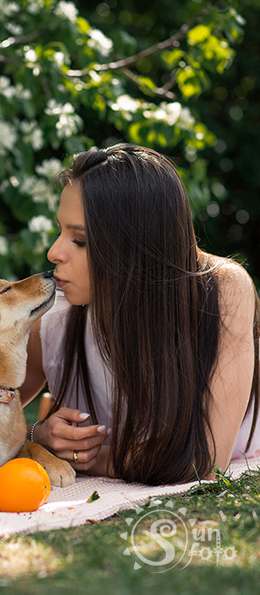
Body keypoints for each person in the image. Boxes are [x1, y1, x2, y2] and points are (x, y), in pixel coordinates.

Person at [19, 143, 260, 485]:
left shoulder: (221, 290)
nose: (54, 252)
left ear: (136, 247)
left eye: (81, 241)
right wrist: (35, 436)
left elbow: (204, 460)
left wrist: (94, 458)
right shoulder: (53, 318)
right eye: (61, 231)